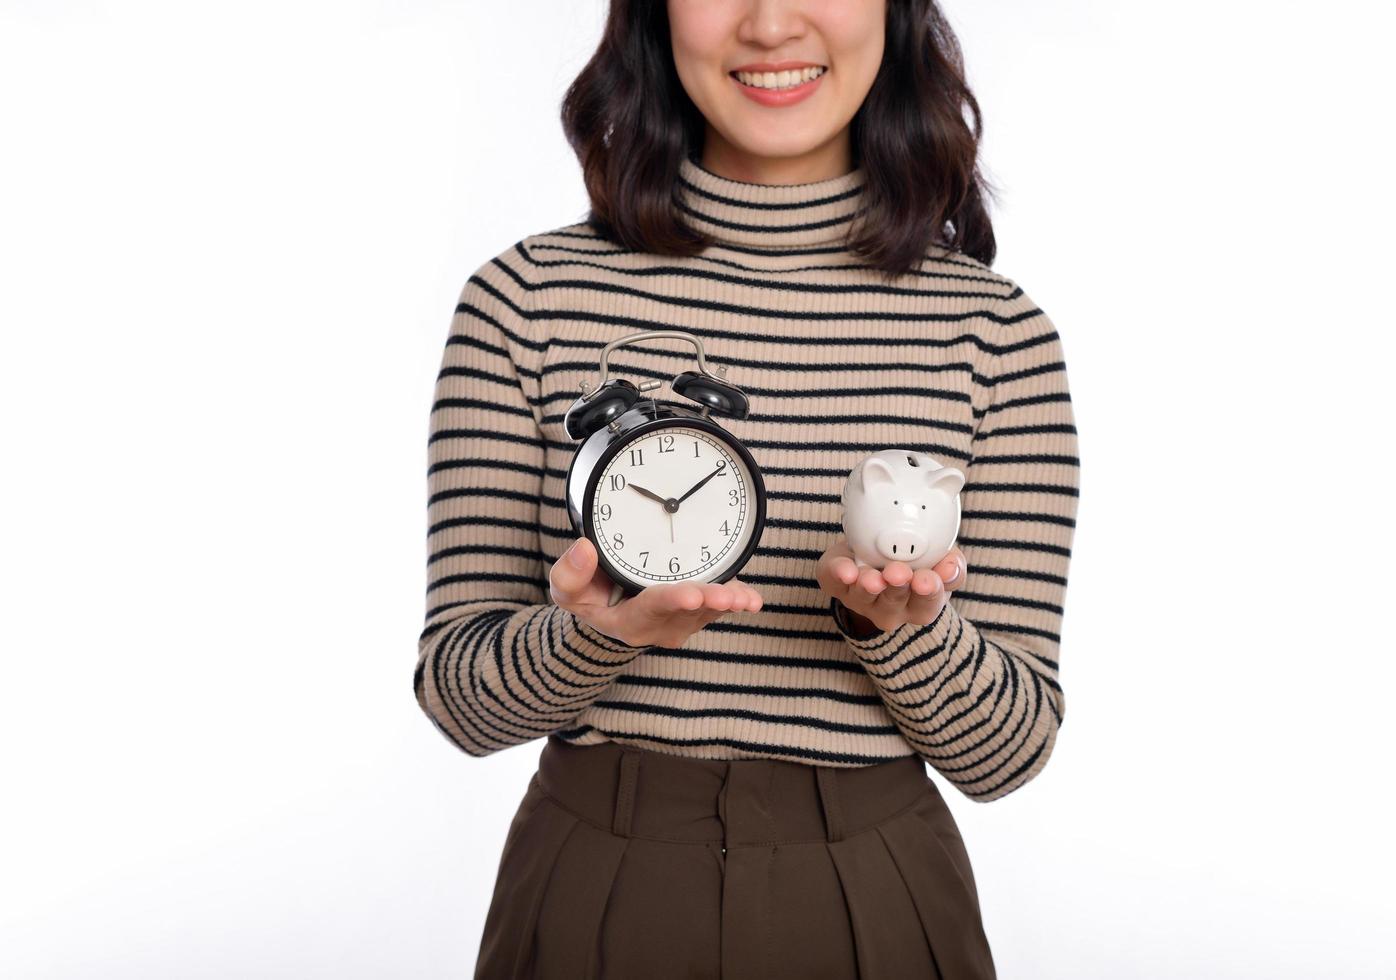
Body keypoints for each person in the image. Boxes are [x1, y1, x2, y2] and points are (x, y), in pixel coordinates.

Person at [413, 1, 1080, 976]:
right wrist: (591, 639)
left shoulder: (993, 335)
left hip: (879, 892)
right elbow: (459, 698)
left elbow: (1008, 751)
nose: (771, 24)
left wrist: (899, 633)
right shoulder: (526, 300)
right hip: (595, 882)